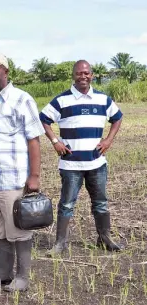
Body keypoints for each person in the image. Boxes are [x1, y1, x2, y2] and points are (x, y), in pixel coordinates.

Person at [39, 60, 124, 256]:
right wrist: (55, 141)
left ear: (91, 75)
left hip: (97, 162)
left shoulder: (103, 99)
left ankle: (105, 238)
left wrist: (109, 140)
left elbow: (117, 117)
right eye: (79, 73)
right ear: (73, 75)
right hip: (71, 164)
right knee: (67, 204)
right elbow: (43, 119)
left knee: (101, 202)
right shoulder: (62, 100)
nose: (83, 76)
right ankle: (60, 243)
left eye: (86, 73)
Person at [0, 53, 45, 292]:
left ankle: (22, 277)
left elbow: (33, 140)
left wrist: (34, 176)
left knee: (18, 229)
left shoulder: (20, 99)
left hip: (12, 178)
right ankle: (3, 273)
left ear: (6, 72)